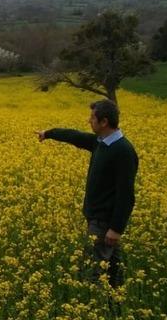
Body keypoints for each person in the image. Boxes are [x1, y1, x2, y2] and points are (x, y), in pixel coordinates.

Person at [36, 99, 139, 289]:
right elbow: (74, 136)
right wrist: (48, 134)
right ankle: (115, 307)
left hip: (104, 223)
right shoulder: (100, 143)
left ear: (104, 121)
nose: (88, 121)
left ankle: (99, 306)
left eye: (92, 117)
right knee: (113, 273)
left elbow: (126, 195)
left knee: (93, 273)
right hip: (98, 220)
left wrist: (116, 229)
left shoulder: (123, 151)